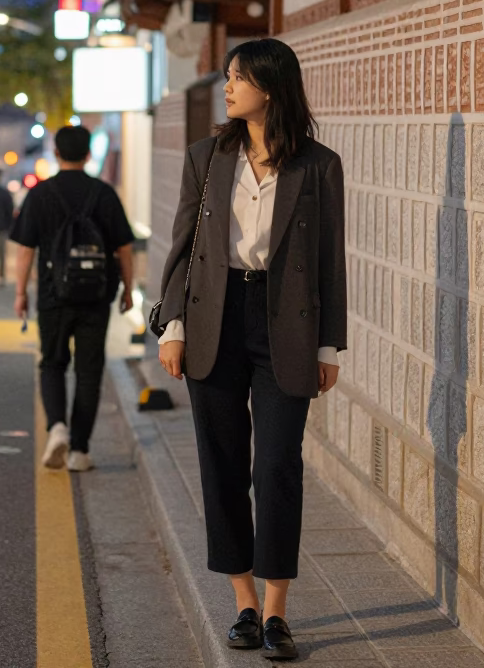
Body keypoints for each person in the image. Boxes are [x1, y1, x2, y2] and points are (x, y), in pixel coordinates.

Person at [156, 39, 346, 662]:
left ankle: (276, 611)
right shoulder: (206, 157)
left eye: (238, 77)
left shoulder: (318, 165)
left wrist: (328, 343)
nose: (228, 86)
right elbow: (182, 248)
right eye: (228, 76)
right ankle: (241, 602)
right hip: (215, 319)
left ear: (271, 86)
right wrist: (173, 326)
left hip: (285, 327)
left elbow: (329, 262)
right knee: (222, 463)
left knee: (277, 469)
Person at [11, 125, 135, 473]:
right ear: (88, 154)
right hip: (96, 296)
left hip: (53, 294)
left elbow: (25, 251)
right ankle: (80, 450)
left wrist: (21, 293)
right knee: (89, 370)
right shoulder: (104, 194)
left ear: (55, 152)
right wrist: (127, 288)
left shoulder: (41, 194)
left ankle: (57, 428)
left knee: (52, 362)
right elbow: (124, 248)